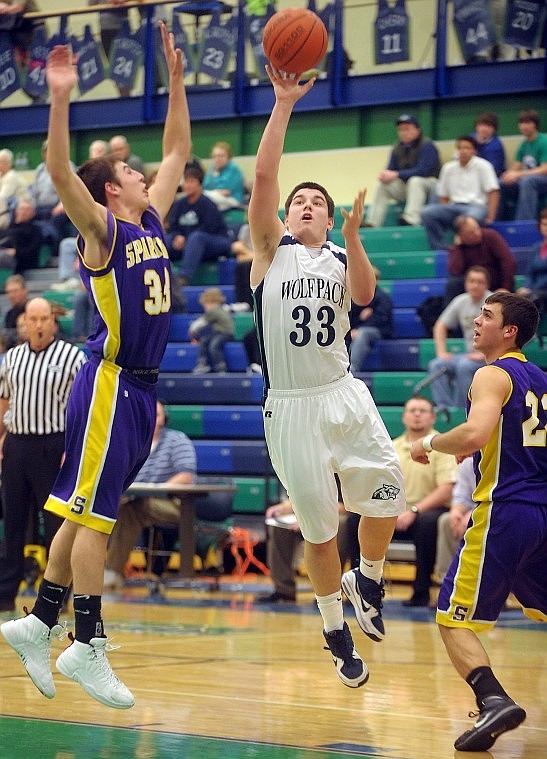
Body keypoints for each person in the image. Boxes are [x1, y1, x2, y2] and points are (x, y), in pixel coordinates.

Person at [0, 23, 190, 709]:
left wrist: (175, 82)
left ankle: (37, 622)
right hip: (109, 382)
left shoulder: (150, 224)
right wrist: (59, 98)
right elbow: (57, 171)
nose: (144, 173)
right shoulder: (104, 233)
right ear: (112, 191)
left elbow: (177, 149)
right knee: (98, 517)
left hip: (138, 392)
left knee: (82, 514)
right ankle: (87, 643)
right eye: (131, 173)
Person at [248, 65, 405, 689]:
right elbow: (264, 175)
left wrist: (355, 238)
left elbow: (365, 294)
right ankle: (333, 627)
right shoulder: (269, 250)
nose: (305, 206)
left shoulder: (341, 256)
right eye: (299, 202)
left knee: (388, 491)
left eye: (316, 202)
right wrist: (284, 103)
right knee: (317, 529)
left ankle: (367, 574)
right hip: (290, 406)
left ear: (329, 215)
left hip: (343, 392)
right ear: (286, 216)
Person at [410, 291, 546, 752]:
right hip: (543, 512)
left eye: (486, 316)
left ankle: (493, 700)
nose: (476, 320)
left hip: (506, 510)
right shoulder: (541, 381)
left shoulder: (492, 373)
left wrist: (428, 443)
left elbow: (475, 432)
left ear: (509, 331)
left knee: (452, 616)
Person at [0, 298, 86, 612]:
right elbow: (4, 402)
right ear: (24, 321)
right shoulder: (12, 358)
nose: (37, 325)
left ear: (53, 321)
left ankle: (57, 594)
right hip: (17, 444)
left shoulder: (71, 357)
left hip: (53, 445)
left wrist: (72, 449)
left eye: (43, 319)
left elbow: (82, 408)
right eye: (32, 319)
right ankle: (6, 591)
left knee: (54, 523)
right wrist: (2, 439)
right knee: (13, 521)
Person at [103, 400, 197, 589]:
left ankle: (112, 572)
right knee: (118, 508)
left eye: (157, 415)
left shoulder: (177, 440)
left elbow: (186, 476)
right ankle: (106, 571)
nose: (152, 418)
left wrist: (158, 490)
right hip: (139, 501)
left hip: (176, 506)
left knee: (134, 509)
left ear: (164, 419)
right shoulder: (133, 442)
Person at [391, 396, 457, 607]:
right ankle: (364, 588)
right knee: (358, 520)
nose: (417, 414)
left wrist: (414, 510)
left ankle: (421, 591)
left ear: (433, 417)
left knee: (427, 522)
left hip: (427, 511)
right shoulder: (391, 447)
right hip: (394, 512)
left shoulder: (443, 445)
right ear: (403, 417)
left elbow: (446, 489)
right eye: (412, 410)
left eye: (423, 410)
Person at [256, 481, 360, 604]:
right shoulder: (307, 467)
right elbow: (300, 497)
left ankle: (329, 593)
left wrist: (310, 518)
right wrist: (283, 508)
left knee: (341, 524)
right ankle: (283, 589)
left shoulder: (340, 468)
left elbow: (346, 507)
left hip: (335, 514)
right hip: (312, 514)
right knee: (279, 525)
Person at [420, 135, 499, 251]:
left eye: (467, 148)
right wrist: (445, 213)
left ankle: (461, 244)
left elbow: (493, 192)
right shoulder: (448, 168)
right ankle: (440, 248)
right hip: (454, 207)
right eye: (460, 148)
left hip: (477, 207)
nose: (463, 151)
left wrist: (491, 216)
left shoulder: (484, 166)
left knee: (471, 218)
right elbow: (443, 196)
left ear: (474, 151)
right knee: (426, 212)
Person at [428, 266, 491, 409]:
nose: (475, 285)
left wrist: (483, 354)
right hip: (469, 355)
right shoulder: (461, 301)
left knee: (464, 366)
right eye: (472, 281)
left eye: (480, 282)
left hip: (490, 358)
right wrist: (441, 352)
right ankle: (444, 408)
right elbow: (440, 326)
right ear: (466, 284)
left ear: (487, 285)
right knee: (437, 364)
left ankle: (462, 411)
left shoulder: (493, 303)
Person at [362, 114, 440, 228]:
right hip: (407, 187)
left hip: (429, 185)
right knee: (382, 184)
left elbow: (424, 171)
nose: (403, 132)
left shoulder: (427, 145)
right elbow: (391, 168)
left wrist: (396, 174)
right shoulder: (397, 147)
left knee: (415, 181)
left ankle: (412, 218)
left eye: (407, 129)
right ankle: (372, 222)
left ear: (417, 130)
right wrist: (385, 175)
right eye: (401, 130)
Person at [165, 164, 233, 285]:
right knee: (163, 239)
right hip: (187, 245)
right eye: (186, 182)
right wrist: (177, 236)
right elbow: (173, 227)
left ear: (199, 184)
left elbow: (209, 228)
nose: (188, 185)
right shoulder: (179, 204)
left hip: (215, 242)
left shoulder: (208, 204)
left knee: (196, 238)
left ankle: (184, 278)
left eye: (192, 181)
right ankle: (162, 276)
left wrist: (185, 238)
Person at [444, 214, 515, 304]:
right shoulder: (459, 247)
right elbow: (455, 271)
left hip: (495, 281)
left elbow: (508, 261)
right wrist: (458, 247)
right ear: (461, 236)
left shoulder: (490, 236)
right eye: (470, 233)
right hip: (473, 283)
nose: (476, 233)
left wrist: (505, 287)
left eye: (477, 228)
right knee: (453, 284)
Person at [498, 109, 547, 221]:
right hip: (529, 178)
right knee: (500, 183)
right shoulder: (523, 145)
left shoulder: (544, 141)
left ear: (535, 124)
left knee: (527, 181)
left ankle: (524, 223)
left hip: (543, 179)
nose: (523, 126)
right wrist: (508, 175)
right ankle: (498, 221)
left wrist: (519, 174)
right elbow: (515, 167)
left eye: (527, 123)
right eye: (521, 123)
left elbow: (545, 169)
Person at [435, 456, 476, 583]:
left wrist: (475, 513)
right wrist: (456, 511)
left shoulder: (502, 460)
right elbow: (461, 496)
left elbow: (501, 498)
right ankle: (447, 582)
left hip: (499, 510)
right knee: (447, 521)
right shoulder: (468, 463)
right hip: (474, 511)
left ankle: (492, 590)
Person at [348, 265, 393, 373]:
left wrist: (359, 328)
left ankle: (353, 368)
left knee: (362, 333)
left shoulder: (382, 297)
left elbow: (381, 318)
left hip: (379, 330)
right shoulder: (354, 296)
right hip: (357, 328)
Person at [189, 287, 235, 373]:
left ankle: (221, 366)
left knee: (214, 346)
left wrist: (192, 330)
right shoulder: (222, 308)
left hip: (225, 333)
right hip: (218, 332)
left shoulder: (213, 310)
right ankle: (202, 364)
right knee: (204, 341)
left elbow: (202, 322)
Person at [203, 140, 246, 225]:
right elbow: (205, 186)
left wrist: (213, 190)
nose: (217, 159)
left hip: (232, 200)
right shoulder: (212, 169)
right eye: (215, 156)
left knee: (205, 197)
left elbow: (226, 191)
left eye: (221, 156)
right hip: (216, 199)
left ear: (228, 157)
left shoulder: (234, 170)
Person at [516, 206, 547, 315]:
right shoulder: (536, 248)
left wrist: (532, 290)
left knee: (530, 298)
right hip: (535, 293)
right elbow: (529, 274)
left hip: (543, 292)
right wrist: (527, 287)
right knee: (516, 298)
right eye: (544, 224)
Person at [0, 198, 43, 274]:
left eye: (28, 209)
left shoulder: (35, 230)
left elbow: (33, 251)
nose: (24, 212)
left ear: (33, 213)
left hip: (17, 259)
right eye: (22, 209)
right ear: (16, 211)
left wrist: (16, 252)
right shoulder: (6, 227)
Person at [473, 111, 505, 177]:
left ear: (494, 129)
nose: (484, 129)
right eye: (481, 125)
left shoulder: (496, 146)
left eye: (488, 126)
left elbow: (493, 170)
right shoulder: (469, 139)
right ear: (476, 127)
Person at [2, 273, 28, 345]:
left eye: (15, 291)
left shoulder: (34, 310)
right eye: (9, 292)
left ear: (25, 291)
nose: (11, 295)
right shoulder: (9, 314)